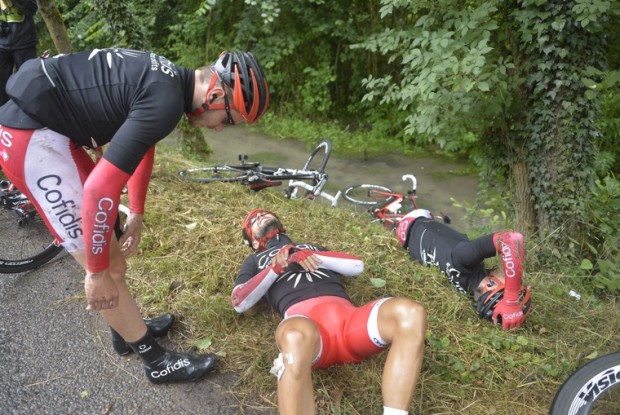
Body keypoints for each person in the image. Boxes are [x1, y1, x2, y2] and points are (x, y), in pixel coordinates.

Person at [0, 48, 269, 383]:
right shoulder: (167, 101)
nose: (218, 130)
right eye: (227, 120)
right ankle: (155, 361)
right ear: (215, 95)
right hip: (35, 144)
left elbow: (144, 144)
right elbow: (99, 191)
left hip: (48, 132)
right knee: (102, 264)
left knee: (112, 255)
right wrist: (95, 274)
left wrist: (137, 213)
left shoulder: (168, 79)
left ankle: (125, 331)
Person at [232, 209, 426, 415]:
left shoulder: (311, 247)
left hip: (350, 324)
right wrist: (275, 268)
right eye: (253, 220)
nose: (260, 216)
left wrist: (307, 254)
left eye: (264, 213)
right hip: (309, 336)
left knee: (411, 313)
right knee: (294, 337)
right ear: (253, 242)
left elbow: (357, 265)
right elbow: (239, 302)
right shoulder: (255, 260)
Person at [395, 209, 532, 330]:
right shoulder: (462, 290)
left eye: (511, 281)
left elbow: (512, 239)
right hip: (408, 234)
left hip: (412, 222)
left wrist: (511, 298)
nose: (513, 278)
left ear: (492, 283)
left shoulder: (464, 260)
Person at [0, 0, 38, 106]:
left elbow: (32, 9)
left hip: (24, 42)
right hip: (2, 43)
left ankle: (32, 114)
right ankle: (3, 118)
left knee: (29, 82)